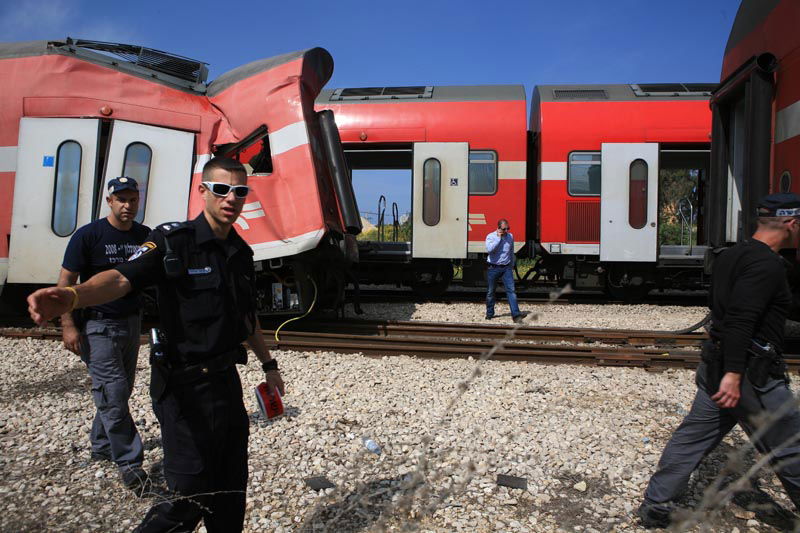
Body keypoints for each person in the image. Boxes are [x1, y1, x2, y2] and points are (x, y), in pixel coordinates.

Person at [28, 158, 285, 532]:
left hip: (226, 384)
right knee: (190, 493)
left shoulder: (240, 254)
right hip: (183, 387)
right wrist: (72, 297)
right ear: (203, 191)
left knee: (231, 491)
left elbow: (246, 319)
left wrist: (268, 365)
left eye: (240, 190)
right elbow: (119, 280)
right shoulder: (171, 242)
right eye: (221, 189)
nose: (231, 197)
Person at [637, 193, 800, 528]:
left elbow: (724, 314)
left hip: (716, 365)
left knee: (692, 438)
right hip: (751, 377)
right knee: (790, 447)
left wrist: (726, 371)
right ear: (791, 223)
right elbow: (741, 319)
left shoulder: (731, 255)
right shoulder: (767, 265)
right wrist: (735, 374)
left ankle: (656, 504)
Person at [59, 176, 150, 492]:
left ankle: (101, 448)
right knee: (112, 392)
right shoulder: (89, 235)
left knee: (119, 391)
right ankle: (130, 463)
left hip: (131, 324)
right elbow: (65, 282)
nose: (128, 205)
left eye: (133, 199)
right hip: (97, 325)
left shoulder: (144, 236)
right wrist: (68, 325)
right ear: (109, 201)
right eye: (121, 199)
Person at [485, 218, 527, 323]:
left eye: (508, 228)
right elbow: (490, 250)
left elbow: (511, 251)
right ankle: (489, 313)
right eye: (504, 229)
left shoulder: (510, 237)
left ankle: (516, 315)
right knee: (491, 292)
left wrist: (512, 264)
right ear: (498, 228)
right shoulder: (490, 236)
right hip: (493, 267)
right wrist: (498, 239)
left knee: (511, 291)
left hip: (506, 268)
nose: (506, 231)